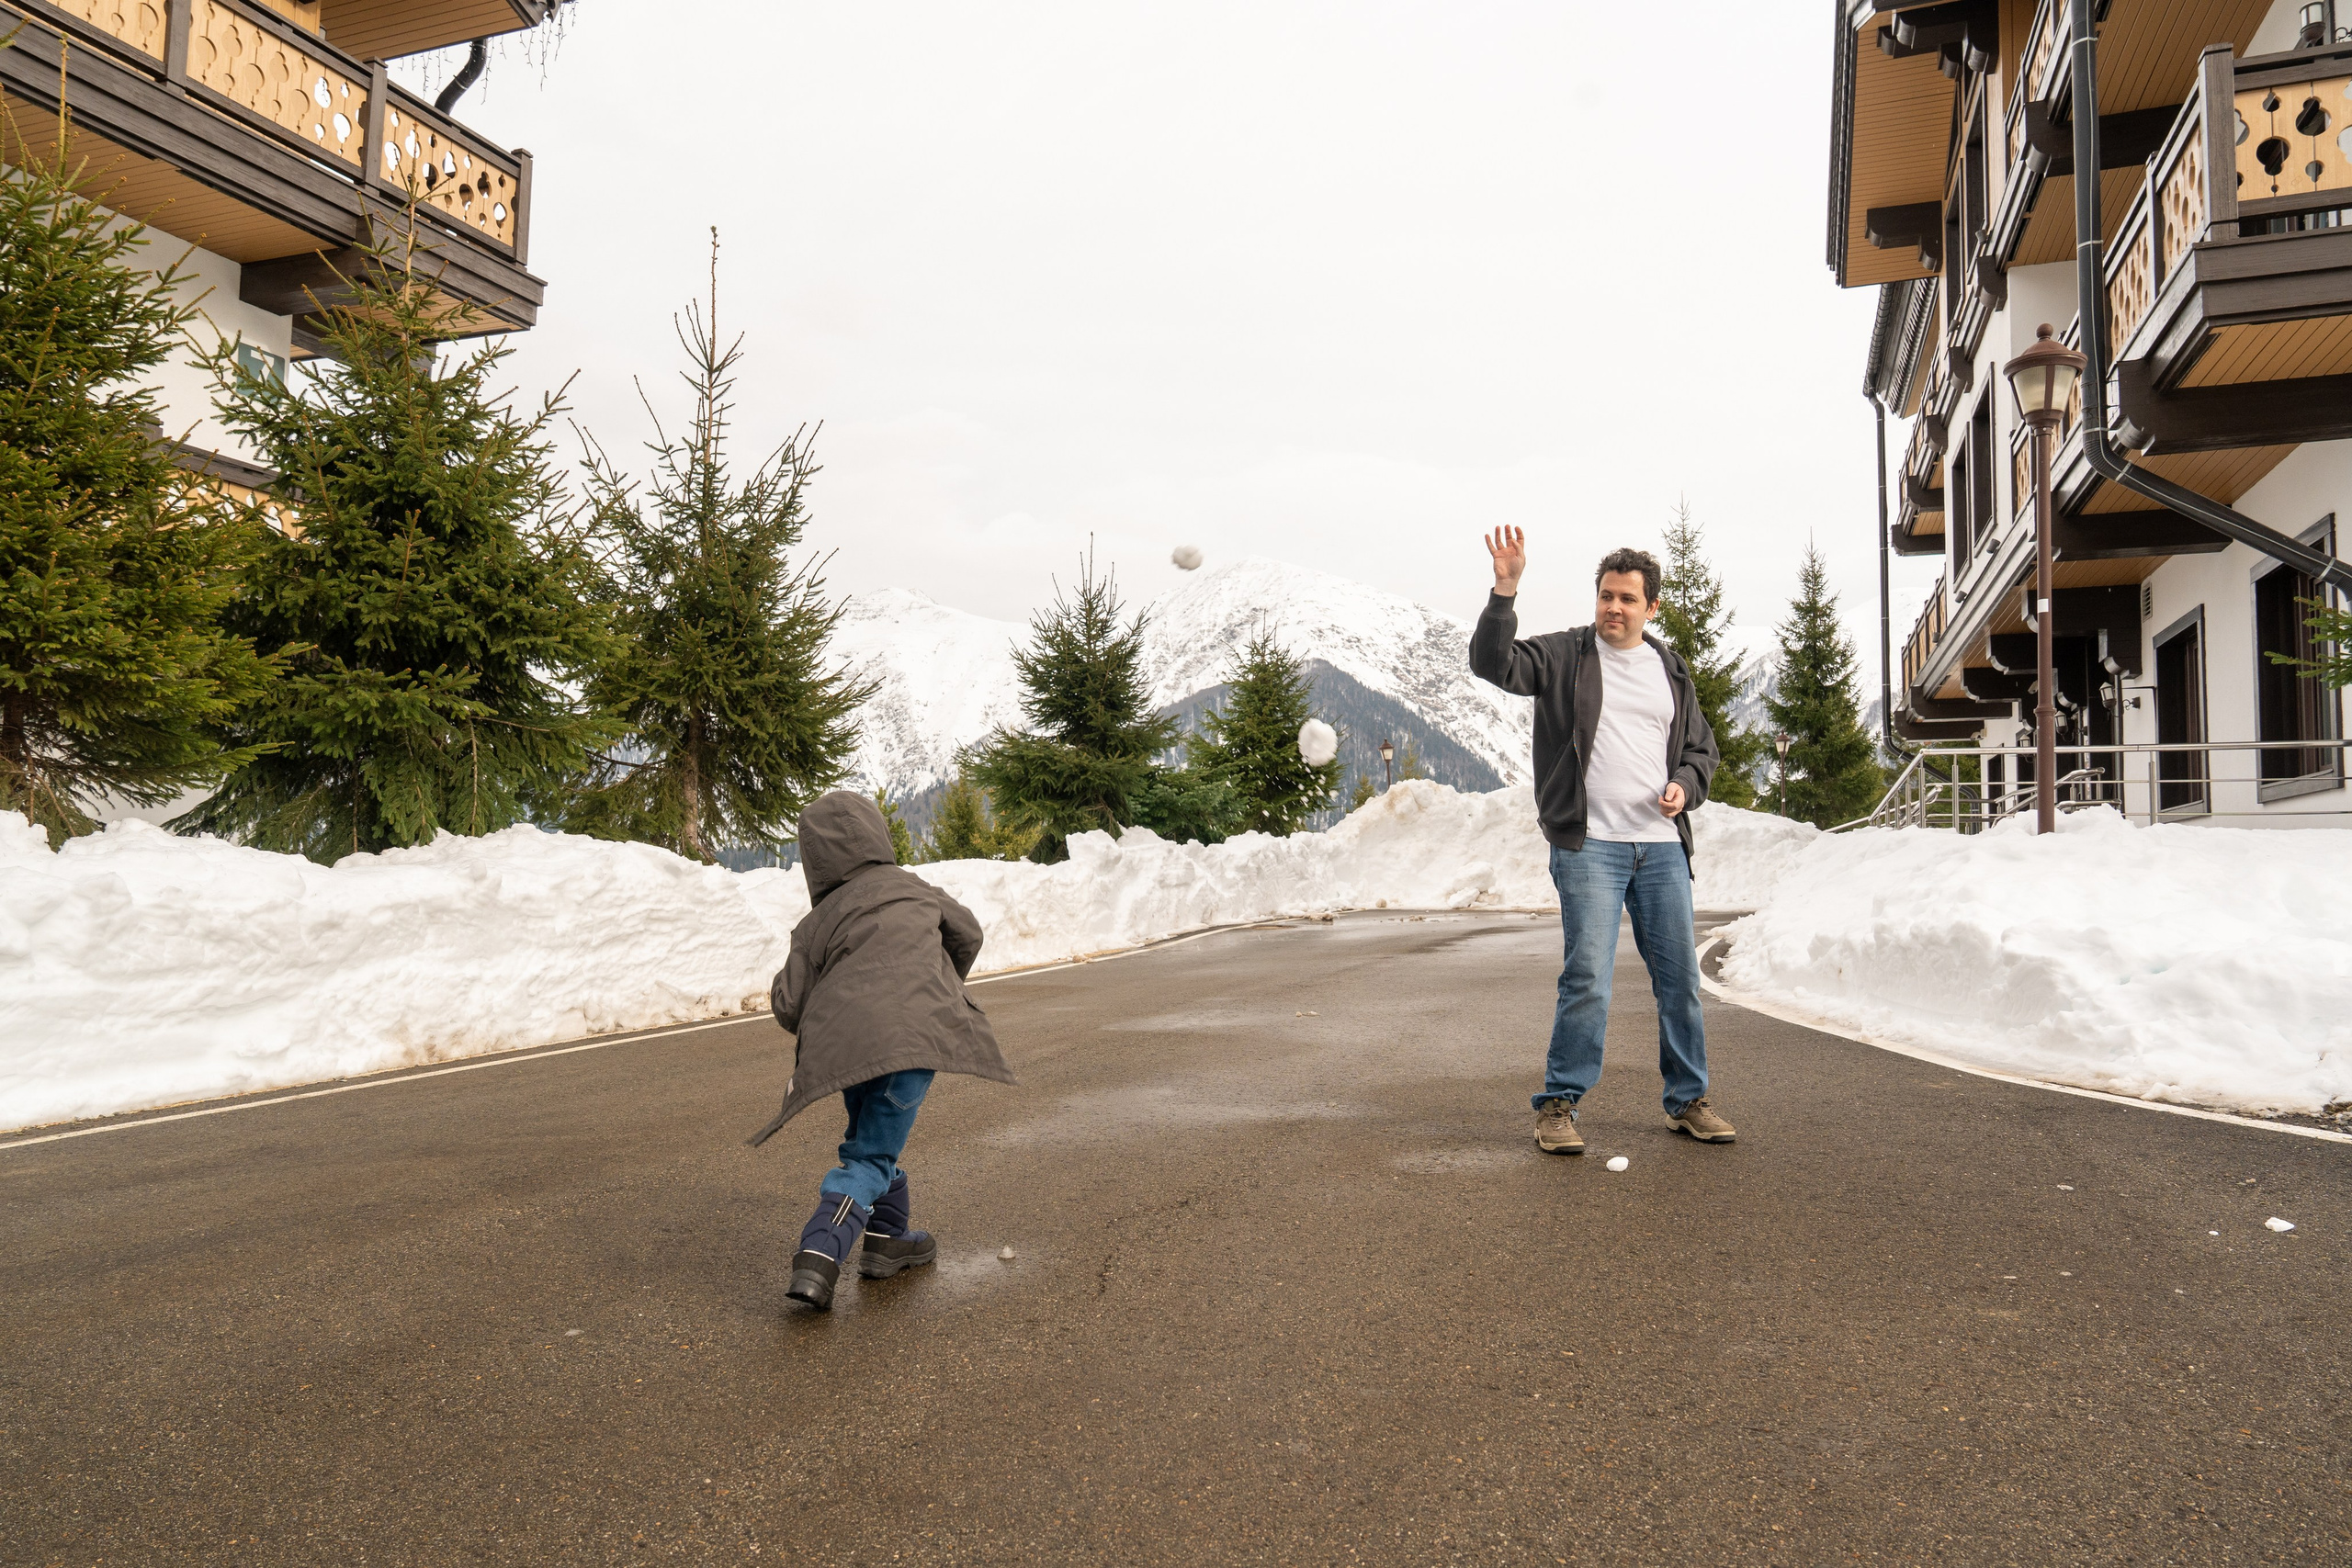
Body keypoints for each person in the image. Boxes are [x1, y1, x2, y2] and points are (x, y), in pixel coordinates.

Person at [1467, 529, 1736, 1152]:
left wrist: (1683, 786)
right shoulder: (1564, 655)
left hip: (1661, 846)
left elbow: (1702, 749)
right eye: (1606, 596)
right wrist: (1505, 591)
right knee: (1587, 975)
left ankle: (1687, 1098)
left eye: (1627, 599)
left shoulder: (1670, 668)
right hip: (1590, 844)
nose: (1613, 607)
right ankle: (1558, 1103)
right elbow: (1493, 664)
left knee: (1680, 980)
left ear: (1652, 608)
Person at [747, 790, 1015, 1311]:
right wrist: (935, 984)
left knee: (869, 1141)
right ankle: (820, 1251)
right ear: (877, 835)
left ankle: (887, 1243)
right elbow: (969, 933)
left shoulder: (817, 923)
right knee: (870, 1153)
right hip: (913, 1044)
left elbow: (789, 1004)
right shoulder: (914, 889)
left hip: (851, 1051)